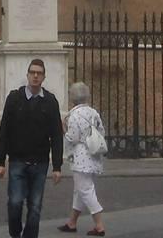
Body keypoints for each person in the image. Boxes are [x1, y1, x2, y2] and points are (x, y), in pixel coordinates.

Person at [0, 58, 64, 238]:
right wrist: (0, 161)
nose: (35, 76)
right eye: (32, 72)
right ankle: (15, 233)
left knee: (35, 207)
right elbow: (4, 130)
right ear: (27, 75)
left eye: (39, 73)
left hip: (40, 163)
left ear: (43, 77)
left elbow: (56, 135)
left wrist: (57, 166)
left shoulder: (50, 101)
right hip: (17, 160)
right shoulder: (14, 98)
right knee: (15, 202)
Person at [59, 82, 106, 236]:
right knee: (79, 191)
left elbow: (73, 138)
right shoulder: (93, 112)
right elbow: (101, 131)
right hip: (94, 155)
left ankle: (99, 225)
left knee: (85, 190)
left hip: (80, 158)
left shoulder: (73, 115)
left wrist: (63, 131)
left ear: (72, 97)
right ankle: (72, 222)